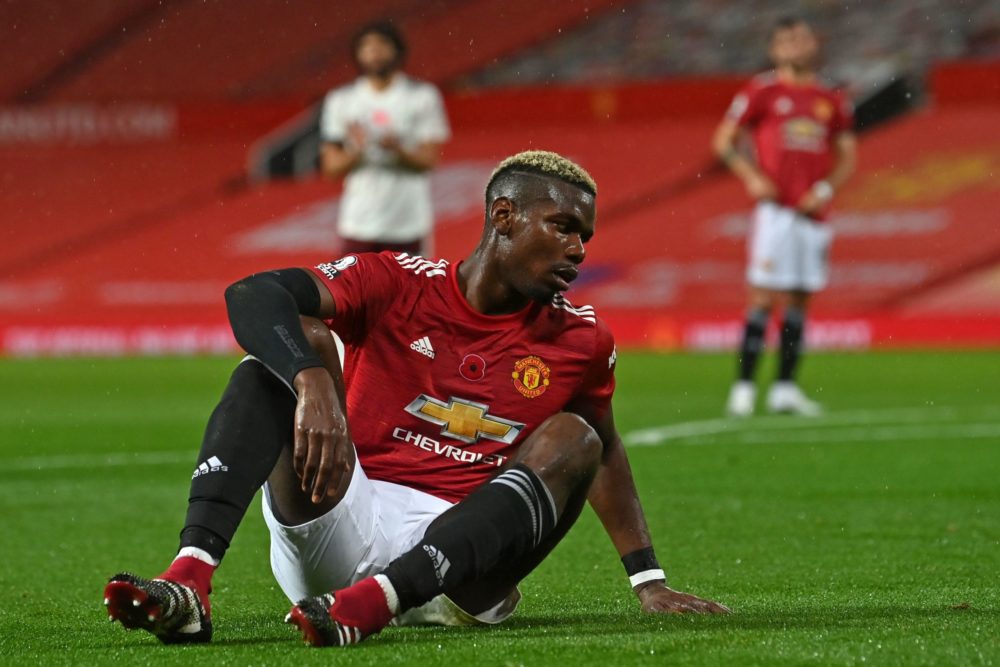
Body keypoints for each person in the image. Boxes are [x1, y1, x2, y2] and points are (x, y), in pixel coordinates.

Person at [102, 150, 728, 647]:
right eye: (562, 226)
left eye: (584, 235)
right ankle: (189, 579)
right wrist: (311, 377)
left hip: (462, 568)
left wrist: (649, 581)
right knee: (294, 341)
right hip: (344, 519)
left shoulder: (584, 337)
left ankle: (376, 604)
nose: (577, 249)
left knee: (578, 439)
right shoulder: (396, 281)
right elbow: (252, 293)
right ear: (503, 216)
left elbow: (605, 453)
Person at [712, 16, 857, 418]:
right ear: (775, 49)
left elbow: (848, 156)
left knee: (799, 301)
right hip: (774, 213)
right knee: (761, 298)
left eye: (800, 38)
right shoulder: (762, 91)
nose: (793, 46)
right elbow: (723, 140)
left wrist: (825, 189)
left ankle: (785, 389)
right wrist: (752, 177)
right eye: (785, 40)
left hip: (813, 214)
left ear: (814, 44)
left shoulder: (831, 98)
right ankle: (742, 389)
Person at [319, 20, 450, 256]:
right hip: (358, 223)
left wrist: (397, 151)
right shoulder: (341, 100)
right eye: (367, 46)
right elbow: (331, 167)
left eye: (382, 45)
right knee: (356, 293)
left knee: (411, 292)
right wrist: (357, 152)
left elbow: (429, 161)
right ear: (357, 54)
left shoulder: (421, 97)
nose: (374, 52)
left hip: (408, 223)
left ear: (397, 50)